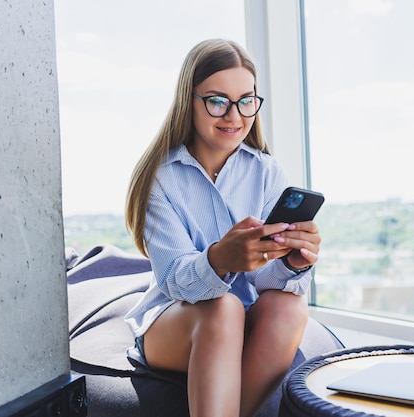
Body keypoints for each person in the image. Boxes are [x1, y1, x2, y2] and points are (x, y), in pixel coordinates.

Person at [123, 38, 321, 417]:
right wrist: (219, 259)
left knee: (289, 308)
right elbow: (175, 282)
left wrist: (293, 262)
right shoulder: (161, 177)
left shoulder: (266, 172)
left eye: (246, 100)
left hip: (245, 321)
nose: (235, 116)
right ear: (189, 101)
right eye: (217, 101)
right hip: (176, 322)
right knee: (223, 309)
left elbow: (266, 284)